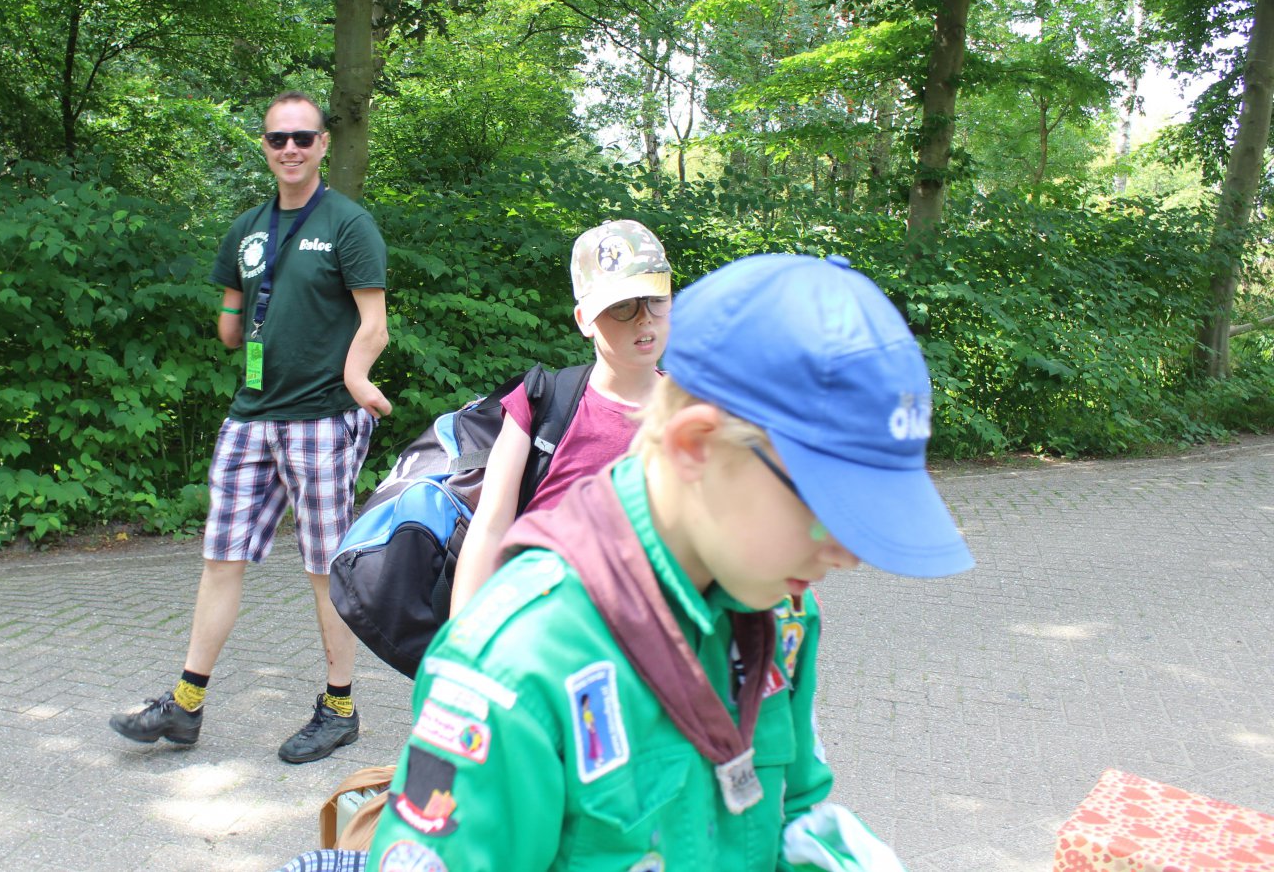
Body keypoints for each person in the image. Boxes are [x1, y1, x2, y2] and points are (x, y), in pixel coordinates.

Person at [365, 253, 976, 872]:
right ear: (696, 449)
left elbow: (794, 809)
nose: (848, 554)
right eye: (828, 505)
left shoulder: (781, 613)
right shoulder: (518, 667)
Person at [110, 90, 392, 764]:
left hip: (323, 418)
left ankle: (341, 708)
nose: (290, 149)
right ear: (264, 148)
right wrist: (236, 317)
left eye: (303, 137)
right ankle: (184, 706)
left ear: (324, 143)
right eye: (277, 139)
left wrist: (356, 377)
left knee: (326, 568)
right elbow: (231, 325)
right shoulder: (246, 230)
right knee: (221, 559)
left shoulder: (349, 225)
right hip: (250, 417)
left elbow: (374, 323)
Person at [448, 218, 671, 616]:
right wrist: (457, 651)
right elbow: (490, 527)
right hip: (545, 635)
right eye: (621, 305)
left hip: (653, 643)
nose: (644, 317)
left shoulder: (696, 413)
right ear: (585, 319)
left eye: (655, 298)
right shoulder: (541, 405)